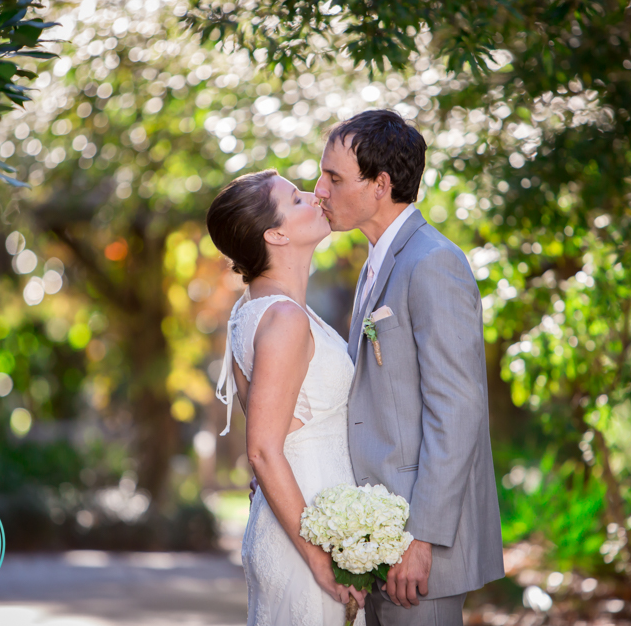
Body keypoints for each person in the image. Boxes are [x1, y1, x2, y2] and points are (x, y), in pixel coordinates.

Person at [313, 109, 505, 626]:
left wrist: (422, 539)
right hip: (375, 539)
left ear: (380, 185)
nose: (319, 190)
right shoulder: (378, 261)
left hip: (419, 548)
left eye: (333, 178)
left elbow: (458, 411)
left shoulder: (433, 262)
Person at [208, 169, 368, 626]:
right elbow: (260, 448)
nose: (316, 197)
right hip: (309, 546)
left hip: (302, 524)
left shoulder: (250, 311)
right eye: (297, 199)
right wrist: (322, 562)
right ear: (275, 234)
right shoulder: (284, 320)